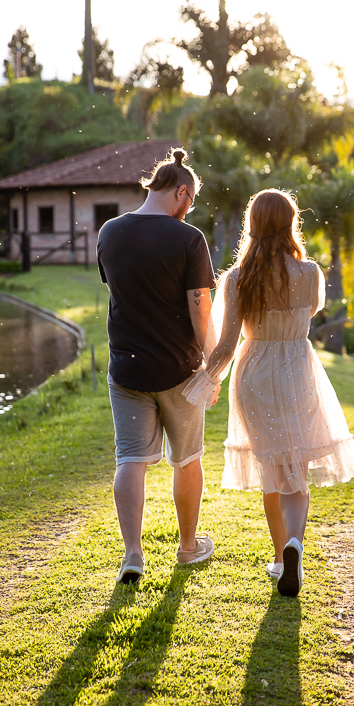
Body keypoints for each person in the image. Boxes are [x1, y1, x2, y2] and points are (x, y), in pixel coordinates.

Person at [184, 189, 354, 597]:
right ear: (291, 223)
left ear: (252, 224)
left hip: (254, 374)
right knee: (296, 467)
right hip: (296, 369)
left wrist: (207, 378)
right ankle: (295, 544)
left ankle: (278, 556)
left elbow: (228, 344)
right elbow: (309, 312)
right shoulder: (310, 274)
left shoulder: (236, 279)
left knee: (271, 465)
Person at [97, 148, 220, 585]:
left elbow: (119, 292)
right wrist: (212, 366)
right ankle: (188, 549)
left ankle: (133, 555)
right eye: (191, 200)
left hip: (126, 370)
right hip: (180, 371)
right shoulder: (188, 240)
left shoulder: (109, 232)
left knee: (130, 460)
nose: (191, 210)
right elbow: (200, 311)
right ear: (181, 192)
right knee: (186, 460)